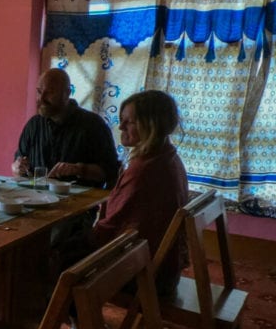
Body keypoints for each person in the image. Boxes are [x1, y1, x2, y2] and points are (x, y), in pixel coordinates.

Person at [73, 89, 190, 296]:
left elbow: (108, 230)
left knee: (54, 258)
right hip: (165, 266)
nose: (121, 127)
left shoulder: (143, 170)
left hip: (146, 274)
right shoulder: (169, 157)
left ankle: (73, 320)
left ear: (150, 125)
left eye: (129, 122)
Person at [11, 69, 120, 188]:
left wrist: (79, 169)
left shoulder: (93, 125)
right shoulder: (33, 125)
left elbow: (111, 172)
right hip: (35, 201)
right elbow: (18, 164)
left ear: (67, 93)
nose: (41, 98)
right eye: (39, 91)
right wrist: (17, 167)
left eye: (50, 92)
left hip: (78, 204)